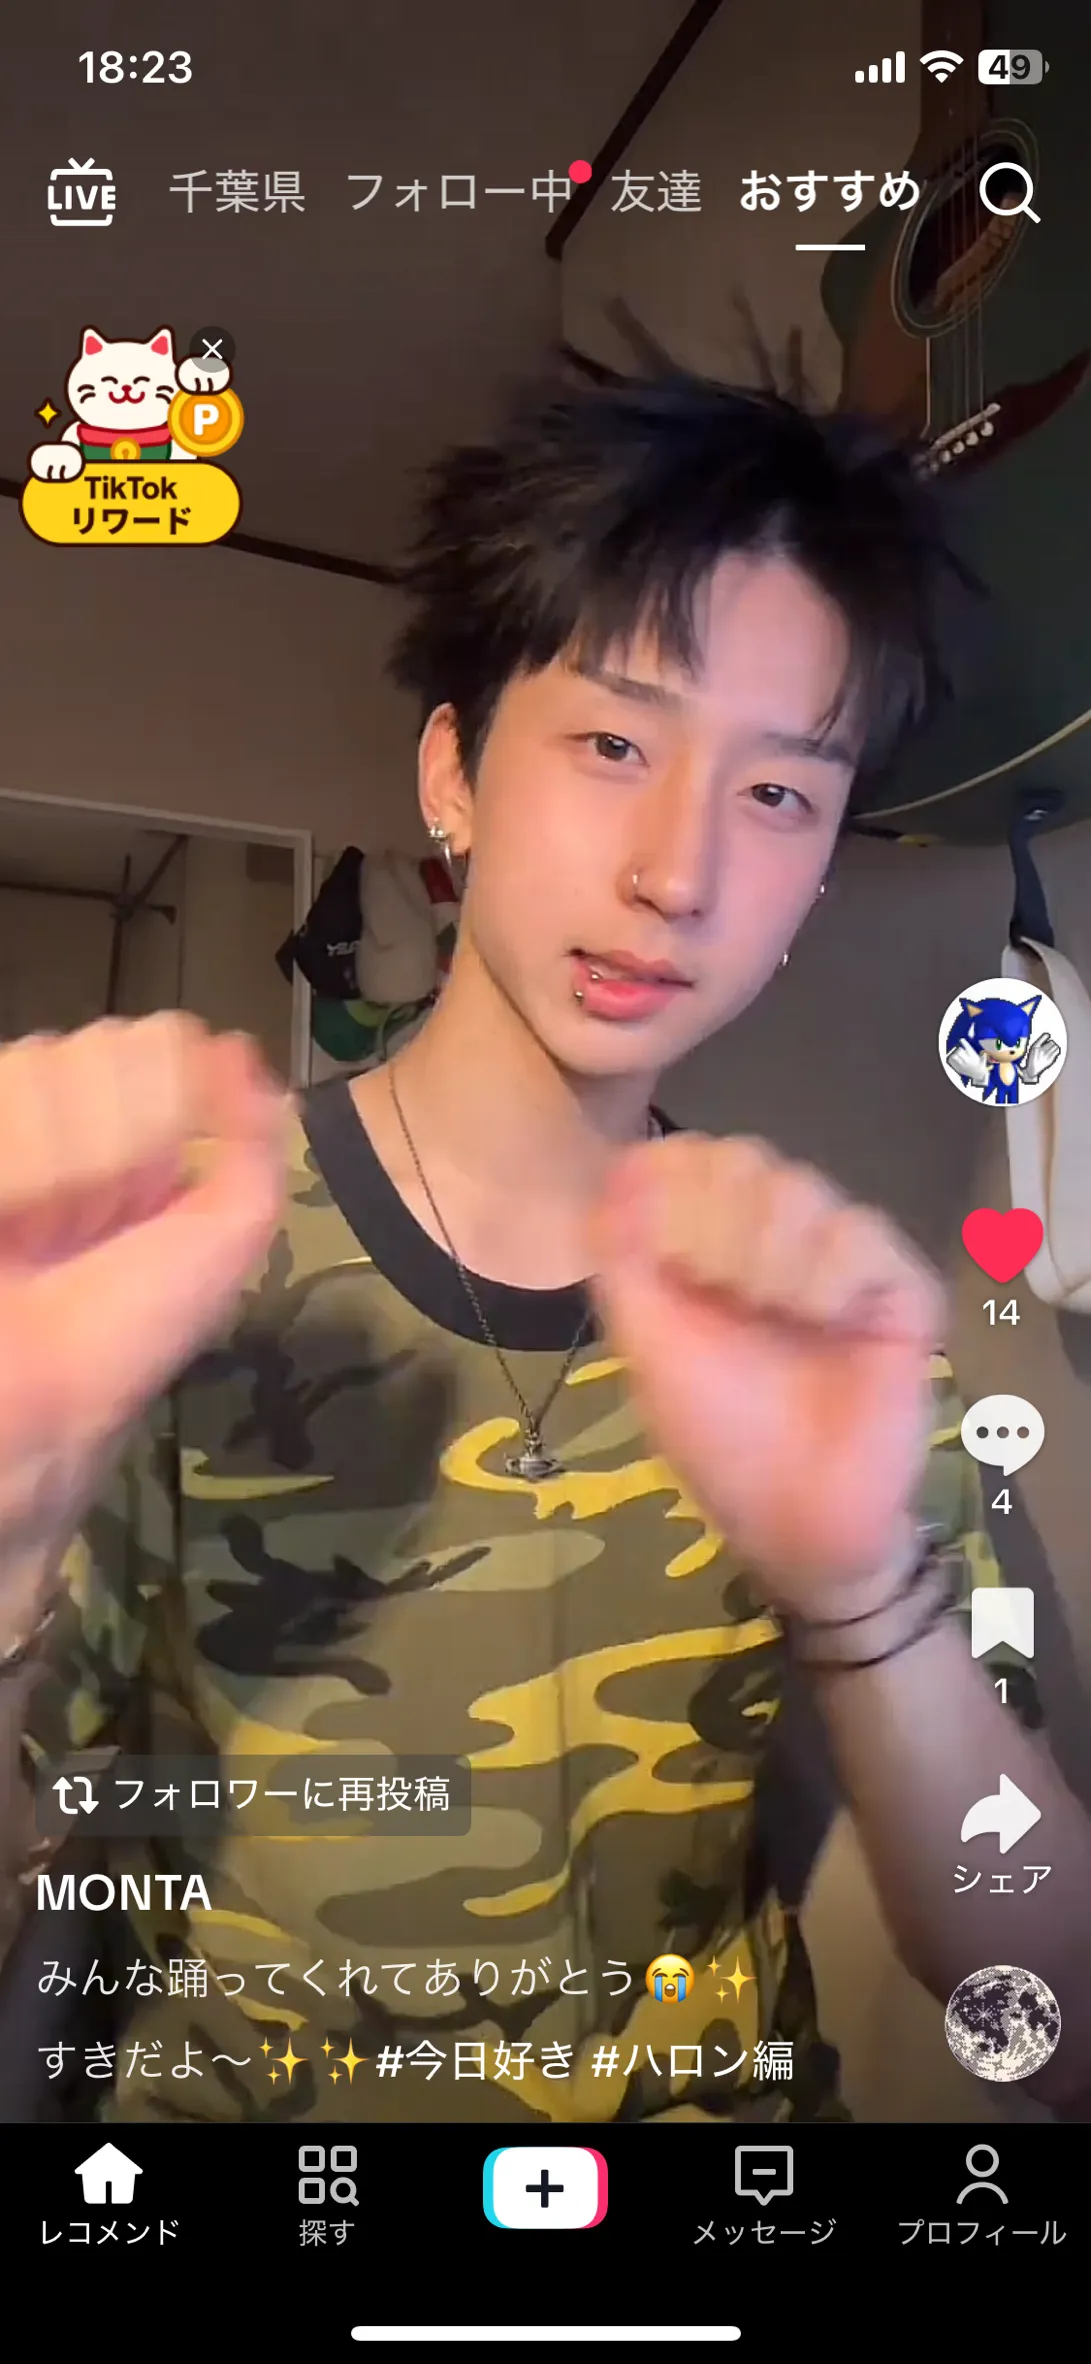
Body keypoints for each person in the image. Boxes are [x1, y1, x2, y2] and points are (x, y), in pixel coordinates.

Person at [2, 364, 1090, 2128]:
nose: (679, 873)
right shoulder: (165, 1265)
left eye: (777, 795)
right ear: (453, 772)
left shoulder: (820, 1325)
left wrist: (861, 1600)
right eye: (612, 745)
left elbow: (1052, 2011)